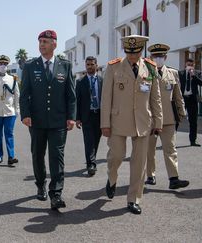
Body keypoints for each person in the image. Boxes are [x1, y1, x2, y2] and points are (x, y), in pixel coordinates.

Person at [100, 35, 163, 214]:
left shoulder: (150, 68)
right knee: (116, 156)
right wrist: (105, 123)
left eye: (135, 53)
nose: (132, 56)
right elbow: (106, 99)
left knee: (139, 163)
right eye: (129, 52)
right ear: (125, 50)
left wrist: (158, 121)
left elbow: (155, 97)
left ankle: (134, 198)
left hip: (143, 122)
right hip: (118, 120)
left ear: (141, 50)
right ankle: (112, 178)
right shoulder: (113, 67)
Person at [20, 30, 76, 210]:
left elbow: (71, 95)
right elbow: (24, 94)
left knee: (57, 157)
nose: (42, 44)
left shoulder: (65, 66)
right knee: (38, 154)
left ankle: (56, 194)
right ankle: (40, 184)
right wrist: (25, 114)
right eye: (40, 41)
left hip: (59, 121)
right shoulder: (30, 66)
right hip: (36, 121)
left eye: (45, 41)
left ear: (54, 44)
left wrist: (71, 117)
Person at [145, 43, 189, 189]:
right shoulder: (144, 73)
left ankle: (173, 178)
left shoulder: (173, 73)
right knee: (149, 149)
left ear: (165, 57)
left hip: (168, 118)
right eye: (155, 56)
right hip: (150, 118)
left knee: (170, 148)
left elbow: (178, 96)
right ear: (151, 57)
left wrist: (182, 112)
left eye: (161, 56)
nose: (158, 59)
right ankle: (150, 176)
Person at [76, 56, 103, 176]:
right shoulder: (80, 82)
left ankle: (92, 160)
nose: (90, 67)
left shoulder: (103, 80)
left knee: (96, 140)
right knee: (88, 141)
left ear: (96, 65)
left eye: (92, 64)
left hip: (100, 115)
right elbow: (78, 101)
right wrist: (77, 118)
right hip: (87, 116)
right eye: (88, 65)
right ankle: (91, 164)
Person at [178, 58, 202, 146]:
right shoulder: (180, 73)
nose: (190, 66)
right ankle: (171, 141)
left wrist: (194, 76)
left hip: (193, 99)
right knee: (177, 119)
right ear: (185, 65)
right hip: (182, 99)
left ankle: (193, 141)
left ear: (194, 65)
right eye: (188, 64)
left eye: (191, 65)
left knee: (193, 121)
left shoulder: (197, 73)